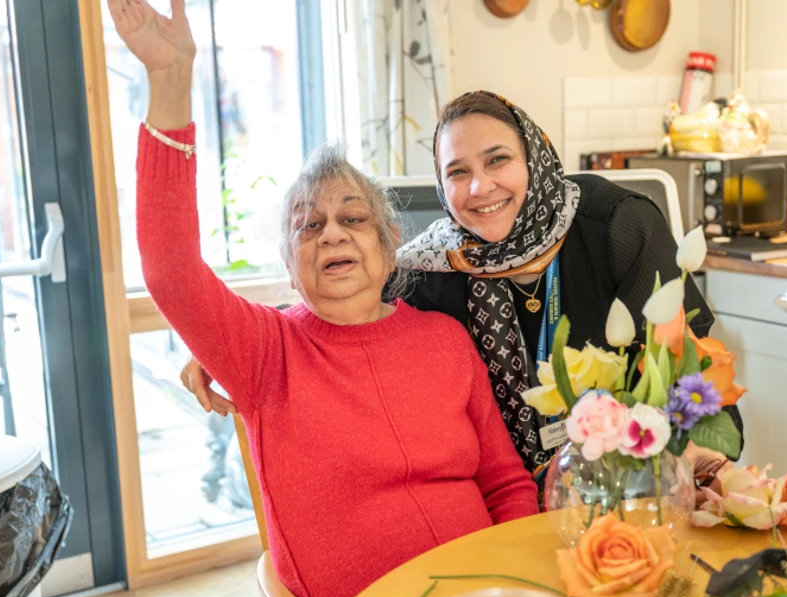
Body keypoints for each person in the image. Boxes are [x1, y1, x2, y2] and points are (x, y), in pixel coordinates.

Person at [107, 2, 539, 597]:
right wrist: (170, 82)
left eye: (353, 218)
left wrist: (521, 579)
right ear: (289, 265)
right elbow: (171, 270)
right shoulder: (266, 352)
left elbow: (506, 484)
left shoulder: (445, 339)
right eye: (308, 227)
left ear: (390, 251)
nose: (332, 232)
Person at [182, 93, 744, 488]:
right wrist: (234, 344)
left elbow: (691, 363)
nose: (480, 187)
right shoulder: (436, 263)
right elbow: (350, 295)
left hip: (638, 475)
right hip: (508, 496)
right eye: (457, 172)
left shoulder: (617, 225)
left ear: (535, 156)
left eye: (498, 159)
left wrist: (689, 463)